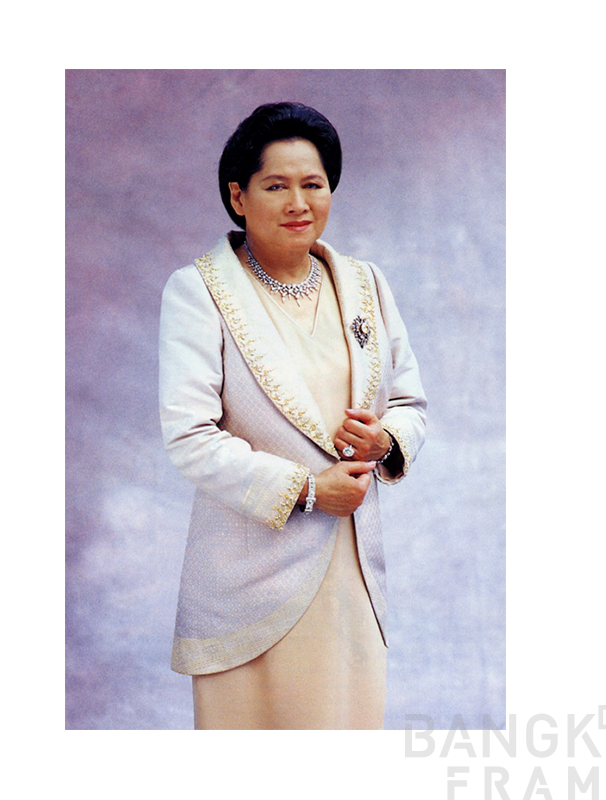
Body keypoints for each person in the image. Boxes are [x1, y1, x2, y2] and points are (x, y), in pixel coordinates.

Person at [158, 102, 427, 729]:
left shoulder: (365, 284)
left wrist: (385, 441)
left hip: (349, 572)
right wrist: (307, 490)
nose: (299, 203)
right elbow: (190, 436)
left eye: (314, 184)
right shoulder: (199, 292)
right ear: (238, 196)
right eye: (276, 186)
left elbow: (410, 404)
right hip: (247, 577)